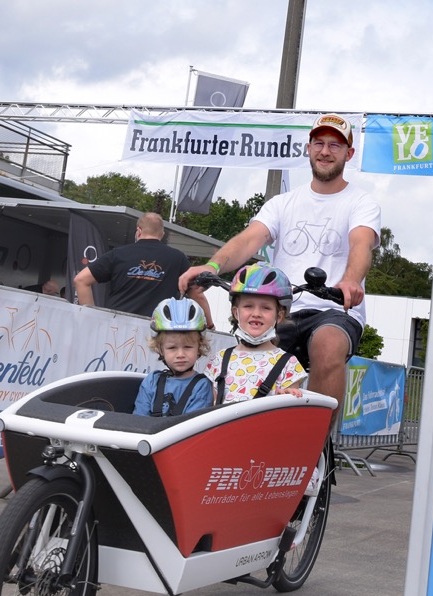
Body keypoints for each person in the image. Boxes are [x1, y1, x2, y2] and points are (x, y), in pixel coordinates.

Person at [180, 113, 381, 425]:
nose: (325, 151)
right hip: (284, 309)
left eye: (334, 145)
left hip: (334, 308)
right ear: (308, 148)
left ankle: (312, 449)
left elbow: (361, 243)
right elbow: (250, 240)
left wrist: (351, 281)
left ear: (348, 154)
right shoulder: (282, 202)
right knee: (242, 357)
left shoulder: (361, 202)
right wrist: (212, 265)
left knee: (328, 346)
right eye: (318, 143)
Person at [204, 264, 306, 403]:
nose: (256, 314)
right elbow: (208, 408)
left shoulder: (289, 363)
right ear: (236, 312)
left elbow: (288, 411)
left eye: (266, 308)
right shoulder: (219, 359)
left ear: (279, 316)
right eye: (248, 306)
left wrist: (290, 396)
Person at [74, 212, 192, 318]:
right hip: (156, 330)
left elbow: (81, 280)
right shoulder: (178, 258)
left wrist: (91, 317)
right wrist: (209, 323)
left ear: (139, 231)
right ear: (162, 234)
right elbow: (196, 291)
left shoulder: (118, 254)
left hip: (116, 326)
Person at [133, 297, 213, 417]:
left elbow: (191, 427)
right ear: (160, 349)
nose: (180, 355)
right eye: (172, 348)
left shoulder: (202, 386)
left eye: (187, 347)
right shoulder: (152, 381)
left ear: (199, 347)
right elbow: (138, 421)